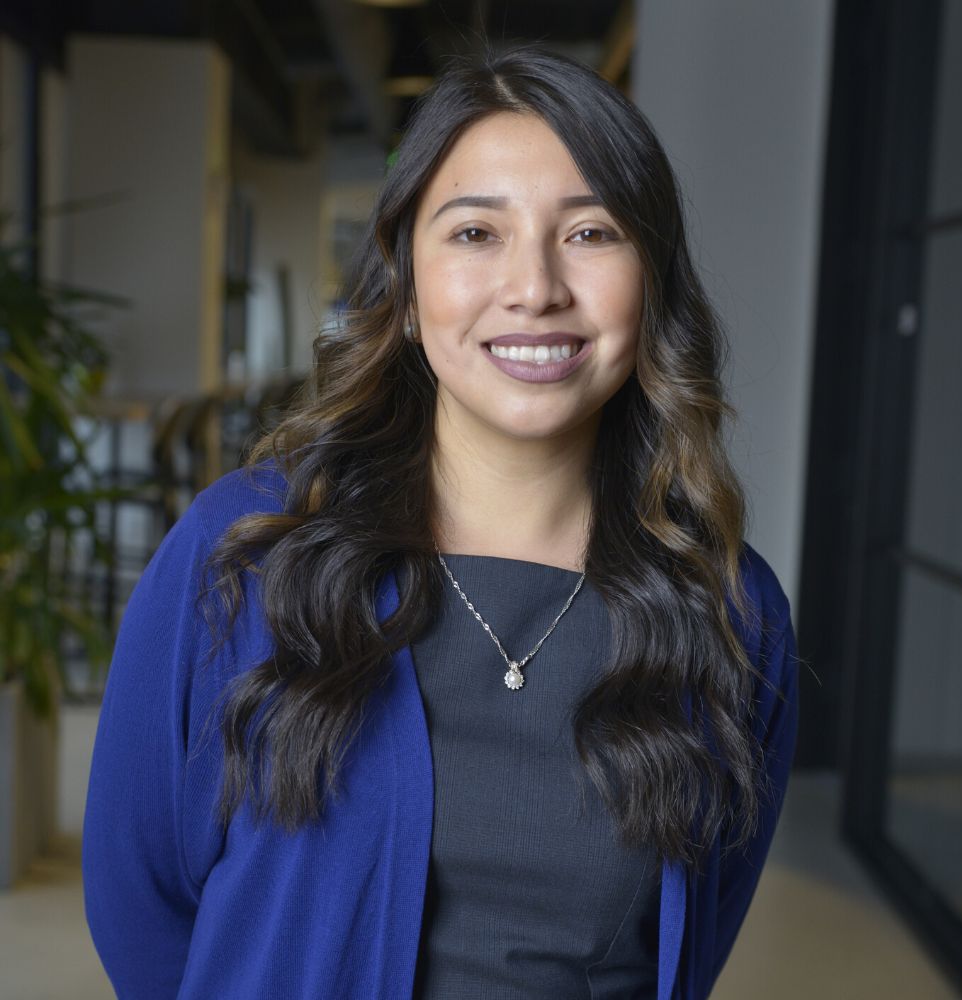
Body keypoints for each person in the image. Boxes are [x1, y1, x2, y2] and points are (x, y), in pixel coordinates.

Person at [83, 45, 799, 1000]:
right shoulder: (245, 554)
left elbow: (695, 938)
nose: (535, 285)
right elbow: (139, 903)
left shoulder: (729, 608)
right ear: (408, 289)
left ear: (652, 280)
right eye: (475, 234)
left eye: (590, 233)